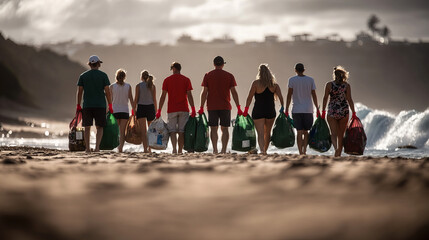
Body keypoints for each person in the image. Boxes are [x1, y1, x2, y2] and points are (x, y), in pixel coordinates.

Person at [198, 56, 241, 154]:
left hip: (212, 106)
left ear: (214, 64)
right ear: (222, 64)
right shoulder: (229, 75)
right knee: (225, 128)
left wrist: (201, 107)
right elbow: (234, 92)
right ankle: (223, 150)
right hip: (225, 106)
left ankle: (215, 150)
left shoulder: (208, 75)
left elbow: (204, 92)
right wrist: (238, 106)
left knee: (213, 128)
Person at [243, 64, 284, 154]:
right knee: (267, 132)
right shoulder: (274, 85)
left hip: (258, 111)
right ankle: (265, 150)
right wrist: (282, 107)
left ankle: (262, 150)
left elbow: (249, 97)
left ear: (259, 73)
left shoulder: (256, 83)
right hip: (270, 111)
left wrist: (246, 109)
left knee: (260, 133)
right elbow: (281, 97)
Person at [157, 62, 196, 154]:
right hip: (183, 109)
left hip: (172, 109)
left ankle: (174, 150)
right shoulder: (186, 80)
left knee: (172, 131)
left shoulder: (167, 80)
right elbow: (189, 95)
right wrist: (193, 108)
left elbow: (163, 96)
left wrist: (159, 110)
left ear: (173, 69)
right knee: (182, 131)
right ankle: (179, 150)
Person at [76, 55, 113, 153]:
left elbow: (79, 92)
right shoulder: (103, 75)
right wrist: (110, 105)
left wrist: (78, 105)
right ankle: (97, 148)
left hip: (87, 105)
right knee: (100, 127)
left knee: (87, 127)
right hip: (100, 105)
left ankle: (87, 148)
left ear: (90, 64)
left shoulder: (83, 76)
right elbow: (107, 92)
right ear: (98, 64)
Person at [322, 66, 356, 157]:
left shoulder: (329, 85)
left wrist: (323, 111)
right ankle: (338, 153)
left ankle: (336, 148)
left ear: (334, 75)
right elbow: (349, 99)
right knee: (341, 134)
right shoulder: (346, 86)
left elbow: (325, 98)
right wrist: (354, 112)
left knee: (333, 133)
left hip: (332, 111)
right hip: (344, 111)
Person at [285, 63, 319, 155]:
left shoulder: (292, 80)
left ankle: (300, 152)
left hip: (296, 109)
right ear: (304, 70)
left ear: (295, 70)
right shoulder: (310, 80)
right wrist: (317, 108)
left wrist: (286, 108)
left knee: (299, 132)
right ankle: (304, 151)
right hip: (308, 109)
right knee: (306, 132)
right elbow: (314, 95)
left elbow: (289, 95)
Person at [109, 69, 135, 153]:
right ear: (124, 77)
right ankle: (120, 148)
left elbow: (110, 100)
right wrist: (134, 110)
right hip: (124, 111)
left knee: (115, 131)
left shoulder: (112, 86)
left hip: (115, 111)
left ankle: (116, 146)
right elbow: (131, 99)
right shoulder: (128, 86)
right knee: (122, 131)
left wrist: (108, 110)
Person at [135, 70, 157, 153]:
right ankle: (150, 149)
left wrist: (134, 109)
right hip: (150, 108)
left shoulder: (138, 86)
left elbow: (136, 99)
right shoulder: (152, 86)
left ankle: (145, 149)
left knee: (143, 131)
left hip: (141, 108)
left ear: (141, 77)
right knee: (150, 130)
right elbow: (154, 99)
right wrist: (157, 110)